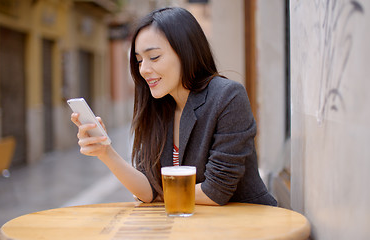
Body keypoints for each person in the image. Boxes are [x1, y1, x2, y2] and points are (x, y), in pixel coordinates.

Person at [71, 7, 277, 206]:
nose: (144, 69)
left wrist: (160, 195)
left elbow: (216, 191)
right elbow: (147, 189)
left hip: (247, 226)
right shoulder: (158, 107)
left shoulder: (228, 97)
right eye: (139, 60)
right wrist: (105, 152)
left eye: (154, 57)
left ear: (186, 52)